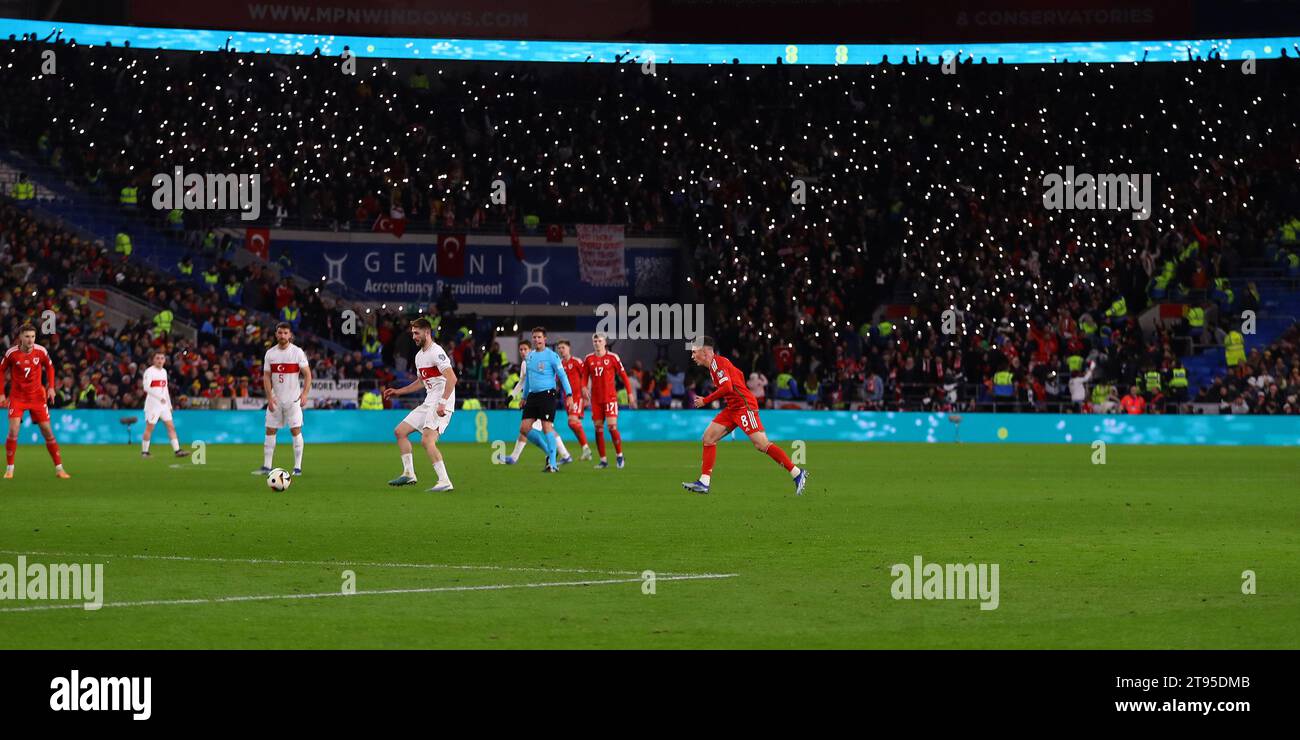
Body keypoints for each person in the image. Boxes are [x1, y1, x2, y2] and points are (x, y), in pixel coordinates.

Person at [681, 336, 807, 495]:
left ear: (705, 351)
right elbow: (738, 375)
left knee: (761, 444)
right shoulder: (716, 365)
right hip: (733, 407)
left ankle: (797, 473)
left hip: (743, 406)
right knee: (708, 438)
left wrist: (706, 400)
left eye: (694, 352)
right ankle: (704, 482)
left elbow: (727, 387)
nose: (692, 356)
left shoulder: (718, 364)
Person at [384, 319, 457, 491]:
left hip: (441, 402)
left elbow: (452, 378)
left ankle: (444, 481)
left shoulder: (436, 352)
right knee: (400, 432)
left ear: (427, 333)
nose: (414, 336)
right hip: (429, 402)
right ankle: (409, 473)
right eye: (412, 333)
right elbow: (421, 382)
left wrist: (443, 402)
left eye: (417, 333)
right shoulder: (419, 356)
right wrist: (398, 391)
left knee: (427, 440)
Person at [1, 325, 70, 479]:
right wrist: (1, 394)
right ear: (20, 337)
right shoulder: (12, 353)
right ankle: (10, 469)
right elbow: (1, 370)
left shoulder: (41, 351)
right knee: (13, 430)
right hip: (17, 397)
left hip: (37, 397)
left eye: (32, 336)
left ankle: (59, 469)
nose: (30, 340)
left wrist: (51, 388)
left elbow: (50, 368)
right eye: (27, 336)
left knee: (47, 431)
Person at [503, 341, 572, 466]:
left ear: (531, 349)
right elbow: (523, 382)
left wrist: (568, 394)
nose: (523, 352)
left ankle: (555, 455)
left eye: (525, 349)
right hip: (532, 399)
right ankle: (564, 455)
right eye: (521, 350)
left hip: (543, 398)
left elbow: (560, 375)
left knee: (543, 428)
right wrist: (512, 396)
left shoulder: (540, 358)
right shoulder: (526, 363)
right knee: (528, 428)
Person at [255, 322, 311, 476]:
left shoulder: (297, 352)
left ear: (290, 335)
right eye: (280, 333)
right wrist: (269, 398)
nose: (282, 336)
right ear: (276, 334)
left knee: (295, 430)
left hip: (293, 400)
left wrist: (305, 394)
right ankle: (267, 467)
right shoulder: (270, 354)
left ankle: (297, 468)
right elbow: (266, 377)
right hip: (276, 400)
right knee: (270, 430)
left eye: (285, 333)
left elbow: (307, 374)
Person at [517, 327, 572, 472]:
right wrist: (524, 397)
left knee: (547, 426)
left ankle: (552, 464)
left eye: (539, 337)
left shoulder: (552, 356)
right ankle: (550, 452)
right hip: (533, 396)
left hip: (547, 394)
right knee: (524, 428)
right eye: (534, 337)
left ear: (545, 339)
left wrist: (569, 395)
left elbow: (563, 376)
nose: (536, 340)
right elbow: (528, 378)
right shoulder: (530, 357)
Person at [583, 333, 635, 469]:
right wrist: (583, 387)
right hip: (596, 400)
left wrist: (630, 393)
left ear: (605, 342)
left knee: (612, 427)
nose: (597, 343)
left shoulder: (612, 357)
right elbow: (584, 376)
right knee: (598, 429)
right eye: (595, 341)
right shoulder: (588, 359)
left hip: (610, 398)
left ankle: (619, 455)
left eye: (599, 341)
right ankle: (603, 460)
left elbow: (624, 376)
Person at [140, 351, 190, 458]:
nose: (160, 360)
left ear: (164, 360)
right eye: (157, 358)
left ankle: (177, 451)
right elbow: (146, 387)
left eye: (162, 358)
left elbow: (165, 389)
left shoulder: (164, 372)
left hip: (163, 405)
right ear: (153, 360)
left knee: (171, 427)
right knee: (150, 428)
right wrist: (159, 397)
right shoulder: (149, 372)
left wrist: (169, 404)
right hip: (153, 404)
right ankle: (144, 452)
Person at [556, 339, 592, 460]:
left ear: (569, 348)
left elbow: (586, 376)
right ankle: (586, 449)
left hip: (577, 396)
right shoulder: (560, 364)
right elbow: (558, 381)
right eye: (559, 348)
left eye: (563, 347)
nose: (561, 350)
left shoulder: (576, 361)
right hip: (567, 398)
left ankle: (587, 449)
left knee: (572, 421)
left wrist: (587, 393)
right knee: (572, 424)